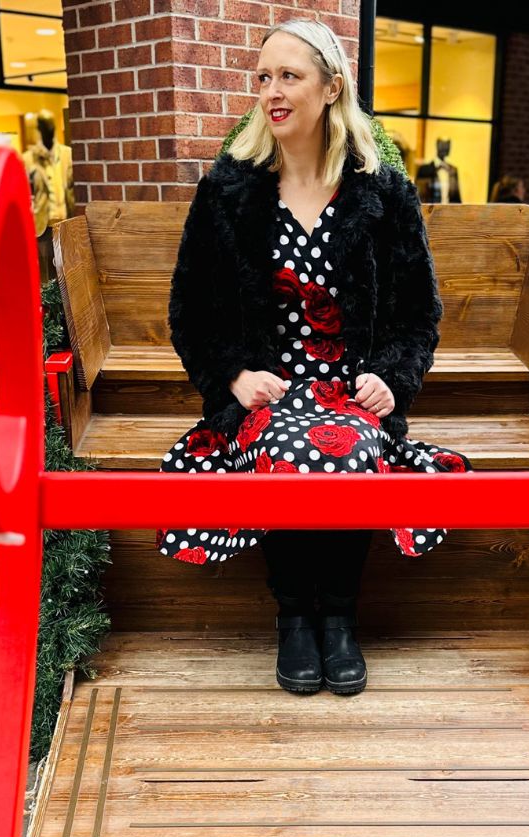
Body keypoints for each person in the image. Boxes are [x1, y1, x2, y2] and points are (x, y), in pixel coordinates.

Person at [159, 19, 473, 698]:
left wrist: (392, 376)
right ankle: (295, 614)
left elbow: (418, 311)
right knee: (289, 449)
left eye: (290, 76)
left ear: (332, 88)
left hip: (348, 394)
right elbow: (192, 310)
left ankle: (339, 615)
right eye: (264, 77)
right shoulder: (228, 191)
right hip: (267, 394)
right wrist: (233, 375)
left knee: (347, 450)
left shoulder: (382, 192)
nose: (272, 91)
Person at [23, 112, 74, 284]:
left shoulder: (68, 154)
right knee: (45, 278)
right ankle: (48, 310)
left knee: (67, 273)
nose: (48, 129)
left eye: (50, 125)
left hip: (65, 222)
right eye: (44, 126)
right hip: (41, 226)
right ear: (39, 129)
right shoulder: (28, 159)